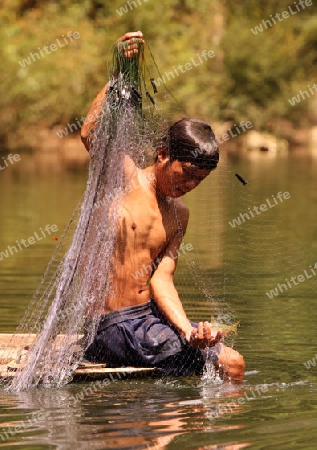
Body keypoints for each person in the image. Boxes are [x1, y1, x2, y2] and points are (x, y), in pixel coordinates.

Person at [80, 31, 245, 381]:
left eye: (198, 181)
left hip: (147, 321)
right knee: (231, 364)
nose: (189, 186)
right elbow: (90, 134)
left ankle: (190, 429)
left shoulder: (179, 214)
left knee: (229, 361)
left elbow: (162, 279)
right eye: (185, 175)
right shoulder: (124, 179)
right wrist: (118, 77)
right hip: (111, 325)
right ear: (162, 154)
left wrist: (188, 331)